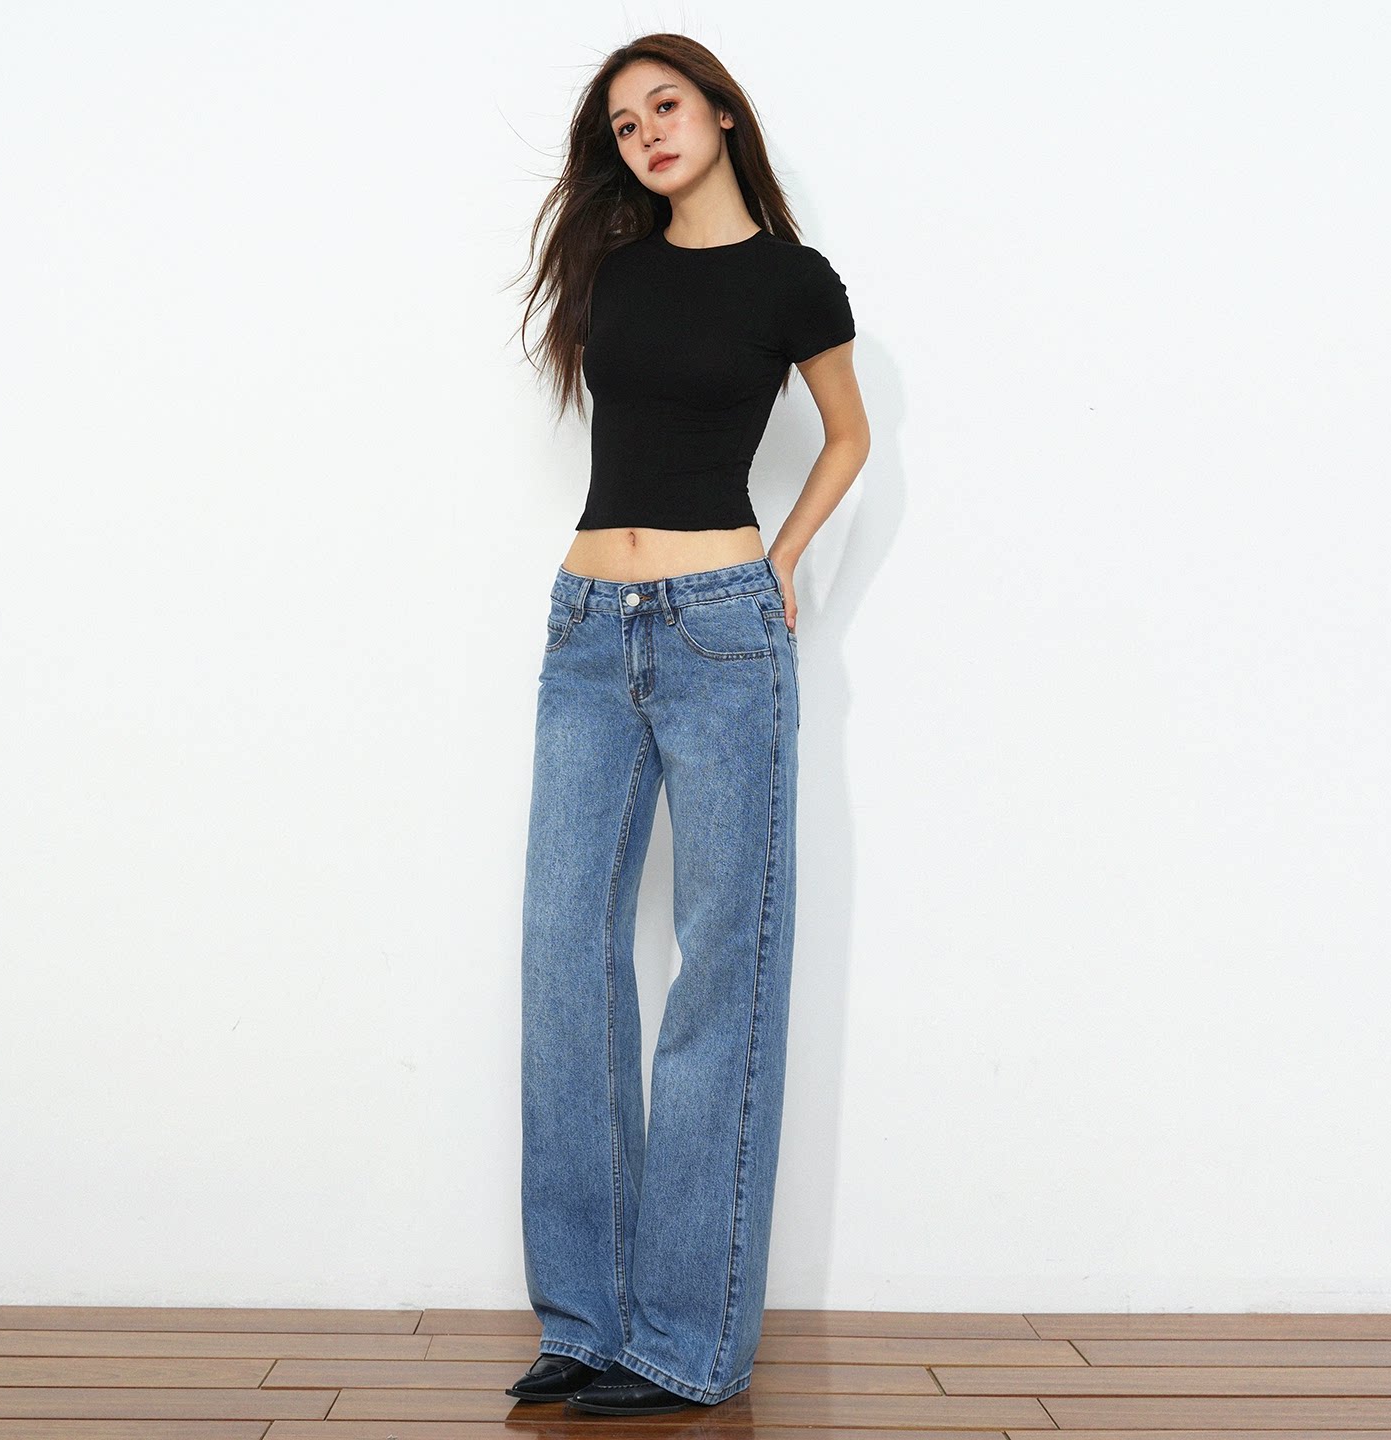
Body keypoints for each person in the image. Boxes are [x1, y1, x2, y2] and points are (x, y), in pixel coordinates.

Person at [504, 33, 871, 1416]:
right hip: (588, 630)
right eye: (623, 122)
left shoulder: (792, 279)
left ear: (721, 113)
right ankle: (584, 1322)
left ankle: (685, 1341)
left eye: (666, 105)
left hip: (722, 629)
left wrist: (786, 557)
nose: (647, 132)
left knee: (725, 965)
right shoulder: (614, 272)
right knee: (565, 958)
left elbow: (849, 434)